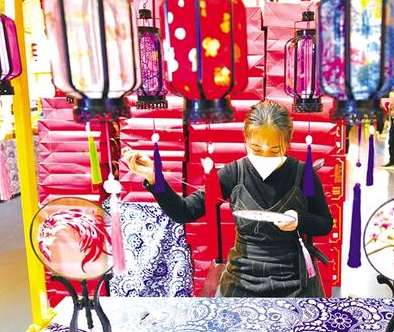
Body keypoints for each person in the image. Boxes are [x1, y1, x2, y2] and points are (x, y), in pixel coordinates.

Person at [123, 100, 333, 297]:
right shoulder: (233, 173)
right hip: (241, 279)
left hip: (295, 279)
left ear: (287, 143)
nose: (265, 155)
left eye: (275, 150)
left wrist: (299, 220)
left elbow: (325, 224)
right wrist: (154, 178)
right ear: (246, 139)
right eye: (256, 148)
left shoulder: (302, 173)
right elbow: (184, 212)